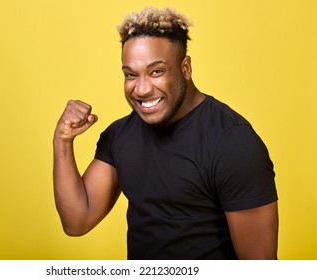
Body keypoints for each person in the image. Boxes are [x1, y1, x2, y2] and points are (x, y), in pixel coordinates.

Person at [53, 7, 278, 260]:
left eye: (156, 71)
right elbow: (77, 221)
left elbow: (260, 266)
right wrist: (63, 141)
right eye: (130, 75)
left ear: (186, 68)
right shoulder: (119, 135)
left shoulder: (233, 143)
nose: (141, 89)